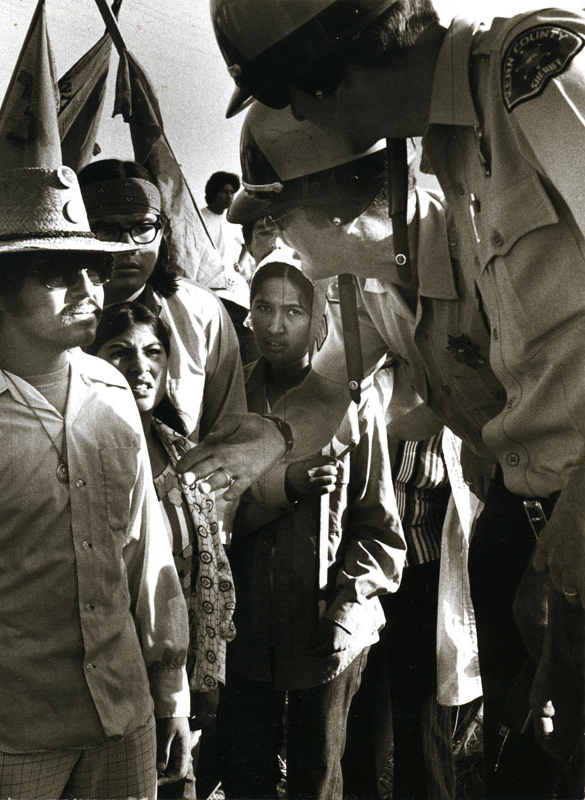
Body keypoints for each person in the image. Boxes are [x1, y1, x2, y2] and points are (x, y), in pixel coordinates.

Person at [199, 4, 585, 794]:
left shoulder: (535, 76)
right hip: (533, 533)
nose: (299, 112)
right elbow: (331, 390)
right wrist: (259, 443)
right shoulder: (447, 170)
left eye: (293, 90)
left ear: (335, 64)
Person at [0, 165, 190, 800]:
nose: (89, 290)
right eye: (57, 274)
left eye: (94, 268)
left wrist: (170, 691)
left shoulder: (111, 393)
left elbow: (140, 550)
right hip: (10, 741)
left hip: (122, 719)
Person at [218, 254, 406, 799]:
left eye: (294, 311)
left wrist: (346, 607)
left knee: (317, 778)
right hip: (245, 631)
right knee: (246, 775)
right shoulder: (232, 400)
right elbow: (213, 515)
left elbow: (380, 529)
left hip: (325, 633)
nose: (276, 325)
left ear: (319, 319)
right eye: (264, 307)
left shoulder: (353, 404)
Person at [92, 301, 237, 800]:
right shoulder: (83, 449)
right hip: (115, 682)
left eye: (153, 352)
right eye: (119, 353)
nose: (140, 367)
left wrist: (193, 683)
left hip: (180, 678)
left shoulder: (182, 449)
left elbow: (206, 567)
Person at [78, 159, 246, 443]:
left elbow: (226, 432)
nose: (129, 246)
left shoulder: (202, 311)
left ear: (163, 231)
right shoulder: (47, 315)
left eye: (143, 227)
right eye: (106, 230)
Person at [199, 170, 250, 277]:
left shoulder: (232, 221)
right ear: (214, 193)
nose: (229, 196)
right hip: (204, 278)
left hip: (227, 278)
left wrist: (240, 265)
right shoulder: (199, 218)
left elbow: (246, 245)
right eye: (225, 192)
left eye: (232, 192)